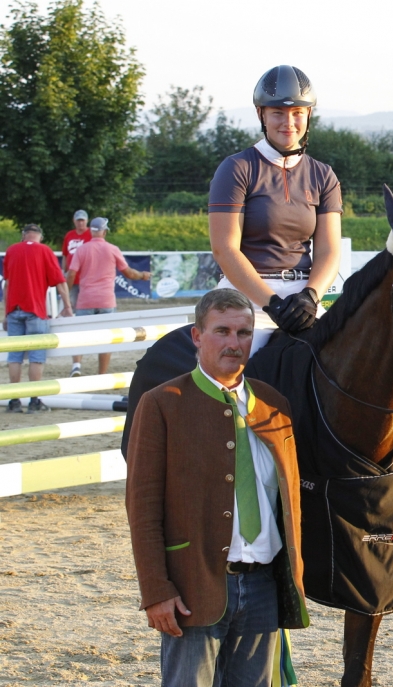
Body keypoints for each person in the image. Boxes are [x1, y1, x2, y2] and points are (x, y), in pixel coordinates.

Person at [125, 288, 308, 684]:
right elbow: (142, 508)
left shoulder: (274, 405)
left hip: (264, 586)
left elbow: (289, 499)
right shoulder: (161, 403)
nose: (233, 343)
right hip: (193, 586)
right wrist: (156, 590)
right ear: (197, 335)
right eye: (222, 331)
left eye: (243, 333)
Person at [208, 64, 343, 350]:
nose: (288, 122)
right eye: (278, 113)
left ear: (308, 115)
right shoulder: (236, 168)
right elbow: (225, 249)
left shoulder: (323, 175)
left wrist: (310, 296)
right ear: (262, 115)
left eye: (297, 113)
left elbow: (329, 251)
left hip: (302, 297)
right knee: (241, 363)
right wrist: (272, 304)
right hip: (246, 295)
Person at [65, 217, 151, 375]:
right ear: (104, 232)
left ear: (91, 231)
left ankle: (76, 365)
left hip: (85, 299)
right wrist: (142, 275)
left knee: (79, 335)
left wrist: (66, 294)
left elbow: (71, 274)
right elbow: (129, 273)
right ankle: (102, 374)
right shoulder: (112, 249)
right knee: (107, 338)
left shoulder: (81, 250)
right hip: (106, 300)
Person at [3, 224, 74, 413]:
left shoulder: (11, 251)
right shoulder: (45, 251)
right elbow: (60, 282)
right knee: (36, 357)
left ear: (23, 235)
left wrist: (6, 313)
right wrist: (67, 306)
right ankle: (34, 400)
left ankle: (14, 400)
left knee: (14, 357)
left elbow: (7, 284)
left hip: (14, 310)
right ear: (40, 237)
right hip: (35, 310)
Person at [62, 209, 92, 376]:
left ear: (86, 221)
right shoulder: (69, 235)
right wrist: (63, 273)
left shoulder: (91, 235)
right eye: (78, 220)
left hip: (86, 280)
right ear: (74, 221)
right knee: (72, 313)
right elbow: (65, 256)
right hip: (72, 280)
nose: (80, 223)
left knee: (84, 316)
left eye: (83, 220)